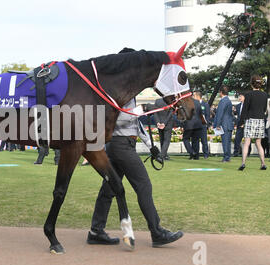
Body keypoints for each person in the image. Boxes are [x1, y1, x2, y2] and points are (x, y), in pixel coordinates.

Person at [87, 97, 183, 247]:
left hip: (119, 145)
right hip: (121, 145)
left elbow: (135, 123)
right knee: (143, 185)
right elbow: (116, 117)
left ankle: (95, 231)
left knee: (109, 188)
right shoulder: (118, 93)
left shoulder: (128, 94)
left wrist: (151, 146)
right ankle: (157, 232)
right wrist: (142, 109)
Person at [238, 76, 269, 171]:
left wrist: (241, 122)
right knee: (258, 143)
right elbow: (264, 109)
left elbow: (244, 110)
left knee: (247, 143)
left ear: (251, 84)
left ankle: (243, 163)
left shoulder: (249, 95)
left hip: (250, 120)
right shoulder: (265, 95)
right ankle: (263, 164)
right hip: (260, 120)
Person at [213, 86, 234, 162]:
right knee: (228, 142)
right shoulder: (228, 100)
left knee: (225, 142)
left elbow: (220, 113)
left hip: (224, 124)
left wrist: (218, 124)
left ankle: (226, 157)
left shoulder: (223, 101)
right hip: (229, 124)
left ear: (221, 92)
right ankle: (227, 157)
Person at [193, 91, 210, 158]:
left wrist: (207, 124)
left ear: (198, 96)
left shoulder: (205, 104)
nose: (193, 97)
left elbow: (207, 115)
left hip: (203, 125)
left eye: (194, 96)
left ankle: (206, 154)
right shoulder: (193, 104)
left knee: (204, 140)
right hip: (195, 125)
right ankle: (195, 154)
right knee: (195, 141)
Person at [233, 92, 246, 157]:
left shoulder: (247, 106)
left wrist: (244, 123)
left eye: (241, 96)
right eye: (239, 96)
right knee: (237, 139)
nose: (240, 98)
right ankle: (236, 152)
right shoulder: (237, 106)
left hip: (246, 125)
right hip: (239, 125)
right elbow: (237, 116)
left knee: (247, 140)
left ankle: (248, 153)